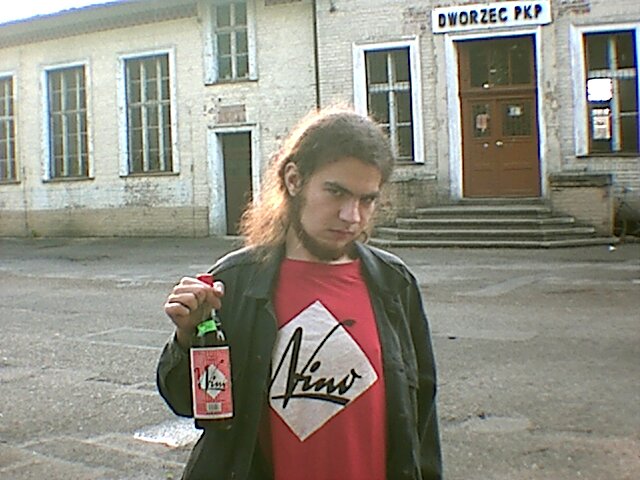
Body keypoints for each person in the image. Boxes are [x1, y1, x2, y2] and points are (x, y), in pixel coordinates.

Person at [157, 106, 443, 480]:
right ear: (294, 180)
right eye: (336, 192)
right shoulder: (234, 283)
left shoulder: (394, 284)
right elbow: (188, 402)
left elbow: (421, 419)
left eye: (367, 199)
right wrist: (187, 339)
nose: (352, 216)